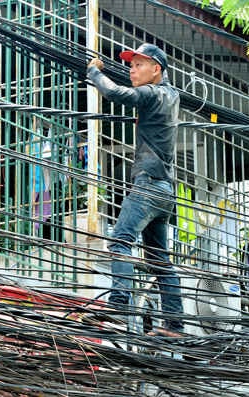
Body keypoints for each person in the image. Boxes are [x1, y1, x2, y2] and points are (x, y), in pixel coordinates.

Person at [87, 43, 184, 333]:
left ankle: (118, 306)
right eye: (131, 65)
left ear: (157, 69)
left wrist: (94, 72)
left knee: (120, 241)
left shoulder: (152, 93)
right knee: (159, 260)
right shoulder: (172, 95)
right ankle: (174, 325)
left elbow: (116, 93)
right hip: (165, 190)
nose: (132, 69)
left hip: (149, 185)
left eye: (138, 64)